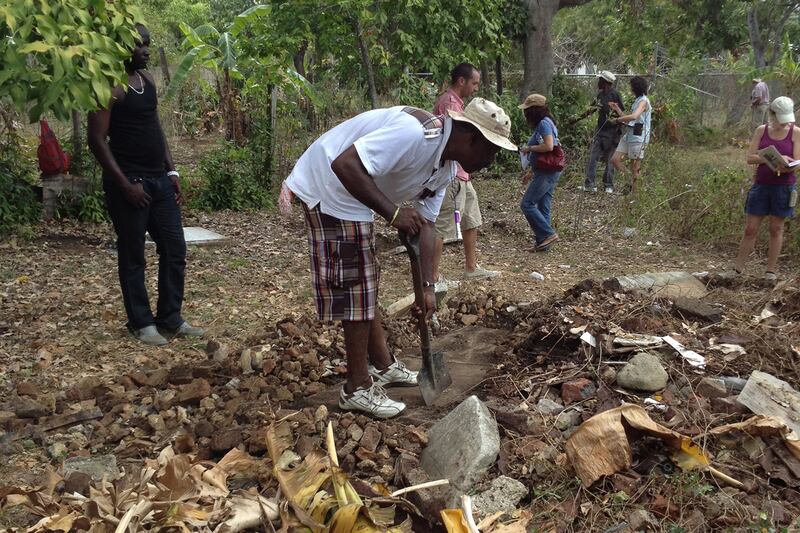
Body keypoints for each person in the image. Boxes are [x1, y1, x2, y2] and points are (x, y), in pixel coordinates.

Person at [283, 99, 516, 418]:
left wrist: (428, 287)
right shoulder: (415, 135)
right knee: (357, 286)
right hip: (329, 185)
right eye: (491, 151)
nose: (491, 161)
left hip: (352, 194)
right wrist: (393, 214)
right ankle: (357, 387)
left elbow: (428, 229)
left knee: (366, 281)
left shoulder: (445, 167)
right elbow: (345, 165)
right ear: (470, 137)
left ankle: (383, 365)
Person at [88, 24, 203, 346]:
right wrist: (124, 185)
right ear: (121, 47)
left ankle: (170, 317)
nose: (146, 51)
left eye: (148, 45)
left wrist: (172, 172)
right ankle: (141, 322)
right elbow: (96, 140)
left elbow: (156, 128)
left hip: (158, 181)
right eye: (140, 46)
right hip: (130, 184)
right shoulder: (108, 86)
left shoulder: (147, 80)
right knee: (133, 253)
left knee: (175, 249)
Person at [432, 63, 498, 285]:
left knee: (471, 218)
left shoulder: (459, 104)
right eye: (474, 83)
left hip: (463, 174)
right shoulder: (449, 103)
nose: (476, 88)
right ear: (461, 81)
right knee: (441, 227)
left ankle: (471, 268)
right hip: (450, 174)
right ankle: (433, 277)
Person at [734, 96, 798, 280]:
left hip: (784, 186)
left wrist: (788, 162)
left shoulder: (795, 132)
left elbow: (797, 160)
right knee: (751, 228)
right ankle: (737, 269)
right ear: (773, 114)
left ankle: (770, 271)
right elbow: (750, 157)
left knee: (776, 228)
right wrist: (767, 157)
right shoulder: (761, 131)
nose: (783, 123)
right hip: (762, 184)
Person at [519, 93, 562, 252]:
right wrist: (531, 171)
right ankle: (543, 243)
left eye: (527, 110)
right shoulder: (545, 123)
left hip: (547, 173)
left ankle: (548, 234)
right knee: (543, 207)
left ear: (534, 110)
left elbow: (549, 146)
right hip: (545, 170)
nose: (525, 114)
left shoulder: (544, 123)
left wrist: (528, 148)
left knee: (527, 204)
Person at [609, 76, 652, 194]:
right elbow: (629, 119)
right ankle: (630, 182)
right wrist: (617, 109)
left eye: (631, 86)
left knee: (635, 167)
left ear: (635, 87)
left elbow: (634, 116)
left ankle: (636, 195)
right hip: (630, 135)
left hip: (639, 137)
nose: (630, 88)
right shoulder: (637, 101)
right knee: (615, 159)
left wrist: (618, 120)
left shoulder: (643, 101)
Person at [583, 70, 623, 194]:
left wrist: (618, 131)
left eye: (599, 80)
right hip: (600, 132)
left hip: (612, 133)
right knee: (593, 157)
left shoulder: (615, 95)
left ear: (605, 82)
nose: (598, 82)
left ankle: (608, 185)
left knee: (610, 160)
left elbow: (622, 115)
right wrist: (578, 118)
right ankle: (590, 184)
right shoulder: (600, 95)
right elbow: (592, 109)